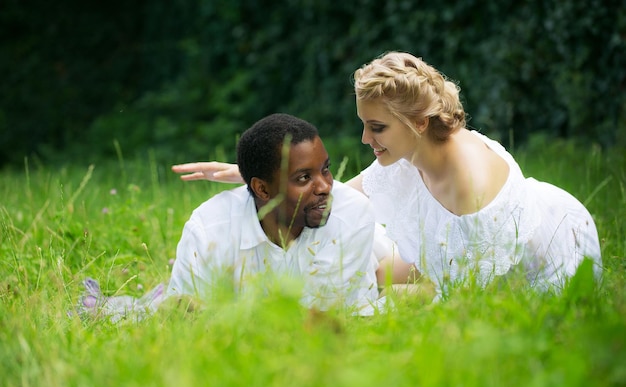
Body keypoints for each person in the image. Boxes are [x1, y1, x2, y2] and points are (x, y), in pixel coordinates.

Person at [173, 51, 602, 299]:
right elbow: (342, 192)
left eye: (376, 128)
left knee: (376, 285)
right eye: (364, 124)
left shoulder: (470, 183)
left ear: (417, 121)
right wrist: (253, 173)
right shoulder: (413, 151)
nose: (364, 138)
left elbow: (474, 296)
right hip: (451, 249)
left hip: (536, 258)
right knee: (368, 273)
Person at [79, 113, 389, 321]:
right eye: (304, 177)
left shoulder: (351, 213)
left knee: (403, 276)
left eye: (325, 169)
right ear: (261, 190)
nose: (325, 187)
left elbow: (320, 322)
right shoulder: (208, 228)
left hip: (374, 249)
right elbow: (185, 317)